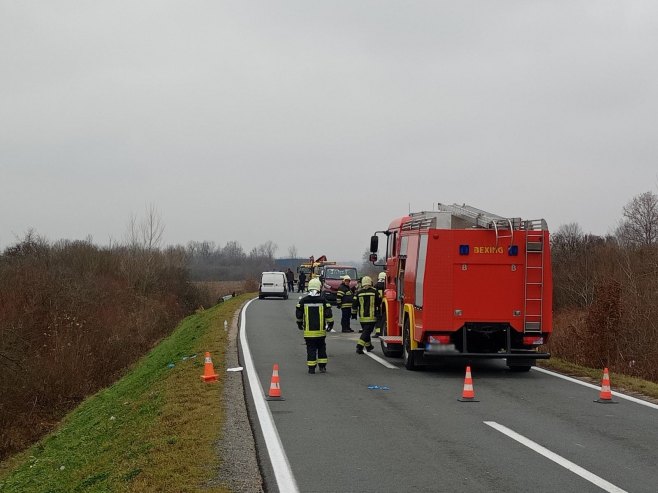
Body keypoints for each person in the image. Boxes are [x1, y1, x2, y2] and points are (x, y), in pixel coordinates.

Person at [296, 278, 334, 373]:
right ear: (319, 288)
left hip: (309, 332)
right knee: (321, 348)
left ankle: (311, 368)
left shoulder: (303, 301)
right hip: (320, 331)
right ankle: (322, 367)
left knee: (311, 349)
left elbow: (299, 315)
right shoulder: (323, 300)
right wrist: (330, 324)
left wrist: (299, 324)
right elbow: (329, 314)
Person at [351, 276, 381, 354]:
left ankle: (368, 346)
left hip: (362, 317)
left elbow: (354, 304)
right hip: (372, 317)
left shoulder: (358, 293)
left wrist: (354, 314)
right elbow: (379, 302)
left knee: (366, 331)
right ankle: (359, 347)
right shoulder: (375, 292)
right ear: (370, 282)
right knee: (367, 332)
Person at [373, 271, 386, 338]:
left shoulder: (376, 286)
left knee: (378, 319)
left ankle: (378, 333)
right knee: (383, 319)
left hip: (377, 305)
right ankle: (383, 332)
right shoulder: (386, 286)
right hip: (385, 306)